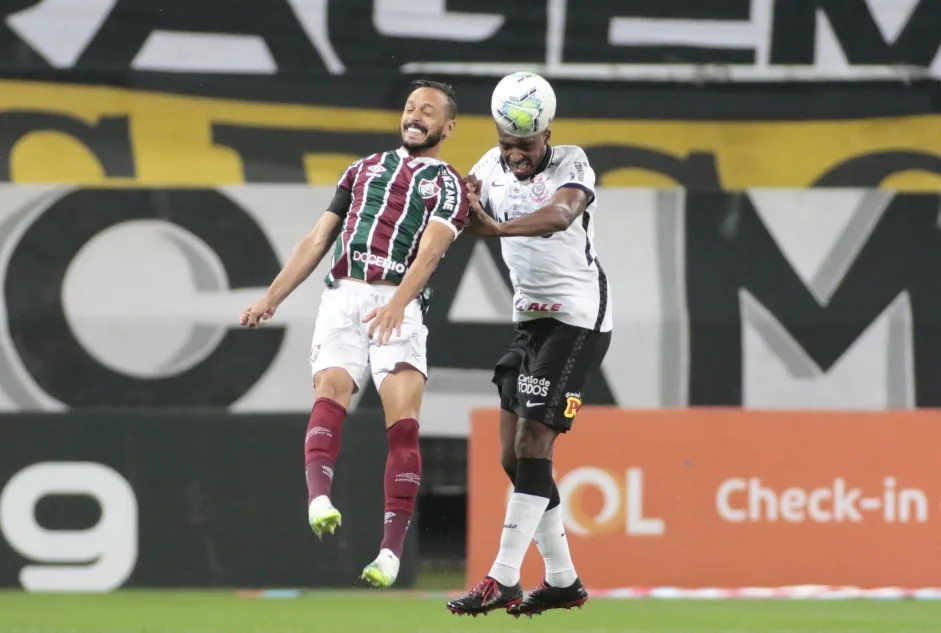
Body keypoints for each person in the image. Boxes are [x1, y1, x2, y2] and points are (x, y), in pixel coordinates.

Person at [239, 80, 469, 589]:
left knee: (402, 420)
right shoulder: (362, 169)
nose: (414, 116)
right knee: (331, 390)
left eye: (427, 111)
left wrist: (397, 302)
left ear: (446, 127)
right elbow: (319, 238)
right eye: (410, 107)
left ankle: (389, 552)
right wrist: (270, 298)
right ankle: (319, 498)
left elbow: (431, 251)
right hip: (343, 296)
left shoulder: (449, 184)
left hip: (398, 304)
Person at [446, 73, 612, 617]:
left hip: (577, 317)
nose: (515, 155)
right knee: (512, 458)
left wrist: (495, 227)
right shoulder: (487, 169)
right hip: (529, 322)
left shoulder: (572, 162)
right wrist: (463, 206)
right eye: (506, 144)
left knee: (535, 440)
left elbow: (562, 214)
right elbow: (467, 217)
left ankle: (503, 577)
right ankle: (563, 581)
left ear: (547, 134)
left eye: (526, 144)